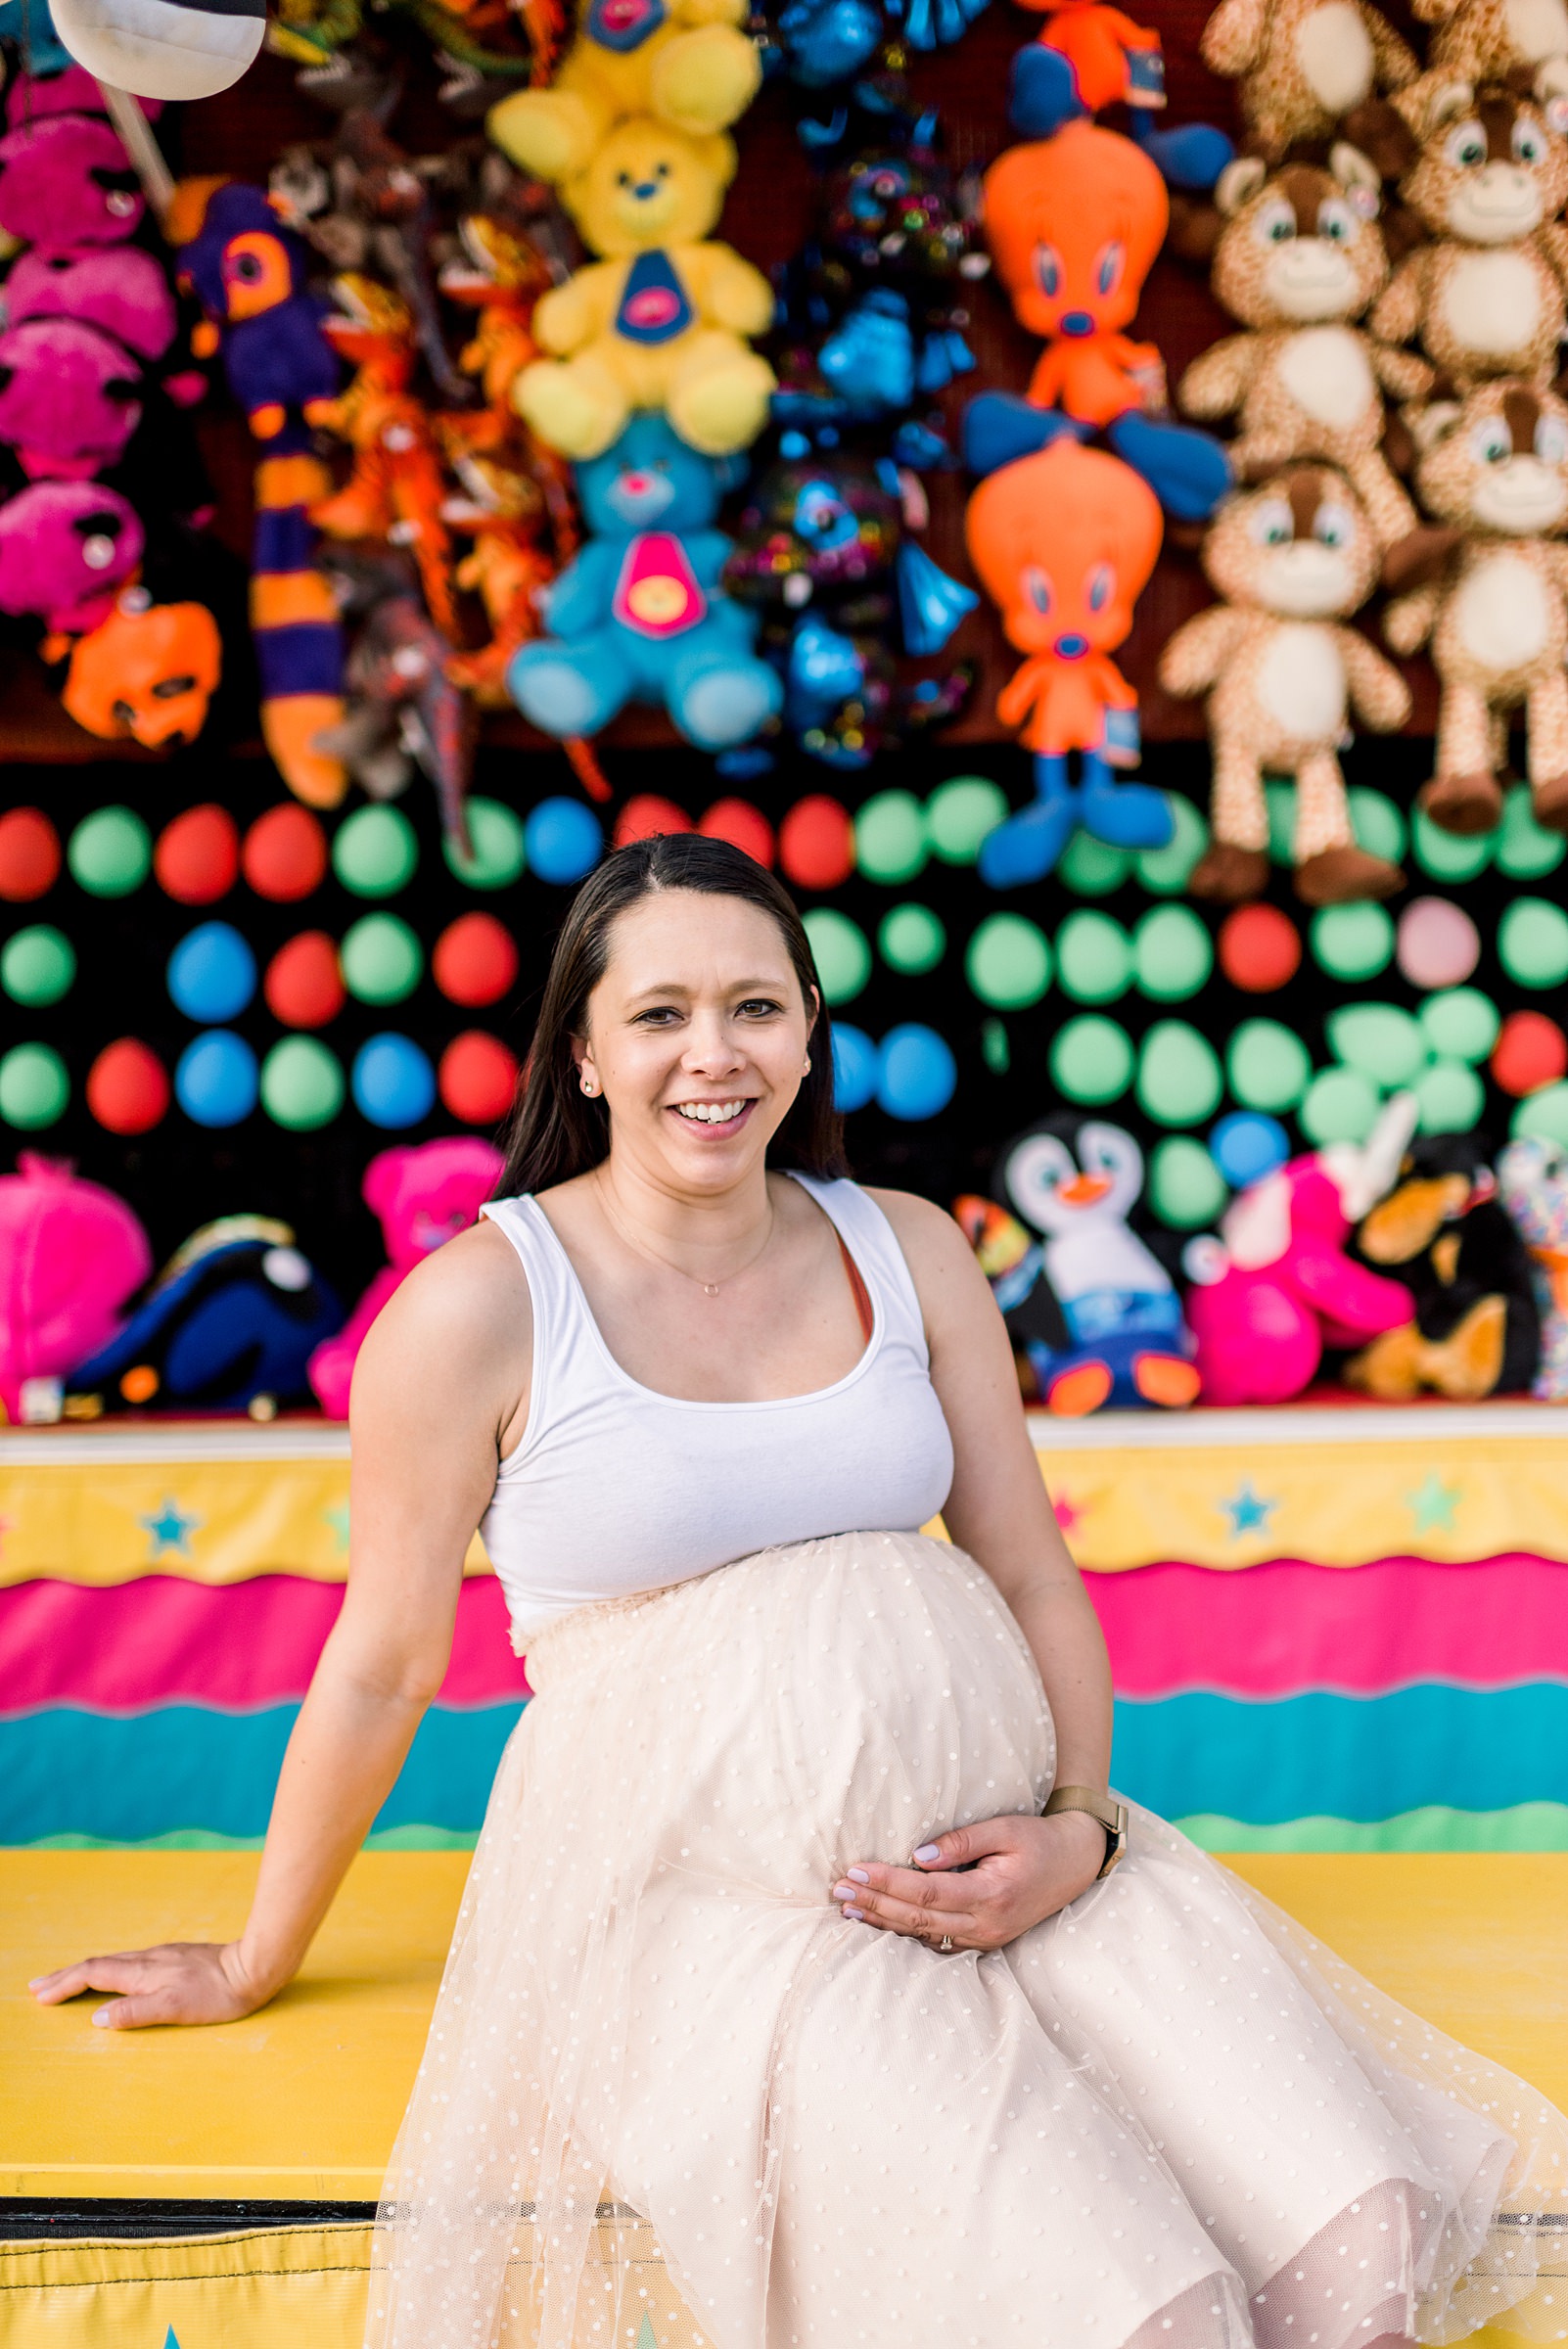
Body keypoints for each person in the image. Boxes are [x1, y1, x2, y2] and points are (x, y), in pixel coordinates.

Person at [31, 835, 1568, 2349]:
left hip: (1019, 1873)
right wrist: (252, 1956)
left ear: (810, 1028)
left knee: (1357, 2236)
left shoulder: (904, 1250)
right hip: (714, 1918)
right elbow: (378, 1669)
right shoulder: (479, 1311)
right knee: (1138, 2311)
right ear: (579, 1051)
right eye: (659, 1014)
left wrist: (1078, 1829)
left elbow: (1029, 1571)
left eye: (756, 1006)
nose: (715, 1053)